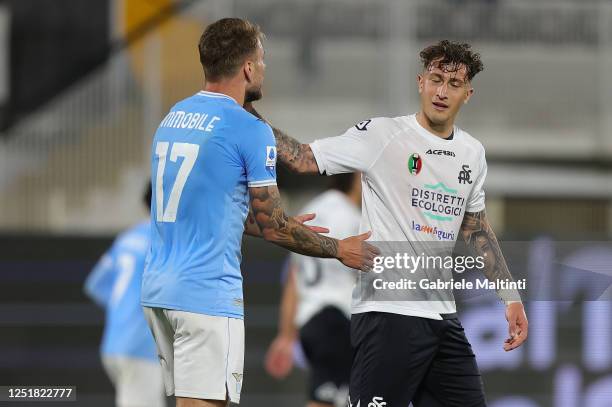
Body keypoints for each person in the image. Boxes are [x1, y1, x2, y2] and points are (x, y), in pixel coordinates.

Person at [248, 40, 529, 406]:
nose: (442, 91)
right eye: (436, 79)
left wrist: (510, 297)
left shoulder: (473, 153)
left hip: (441, 316)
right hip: (387, 314)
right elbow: (302, 158)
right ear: (420, 82)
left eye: (454, 83)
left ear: (468, 93)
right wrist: (246, 115)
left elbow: (476, 228)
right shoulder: (381, 136)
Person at [140, 18, 378, 407]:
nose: (264, 68)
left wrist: (271, 222)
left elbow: (206, 208)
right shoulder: (248, 129)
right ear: (248, 67)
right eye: (262, 59)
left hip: (159, 292)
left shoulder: (174, 117)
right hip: (207, 294)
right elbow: (275, 228)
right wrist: (339, 248)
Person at [265, 173, 361, 407]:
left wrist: (286, 335)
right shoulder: (352, 216)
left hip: (309, 323)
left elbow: (293, 278)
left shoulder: (312, 209)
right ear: (358, 177)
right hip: (336, 319)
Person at [84, 183, 165, 407]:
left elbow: (95, 285)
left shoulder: (128, 237)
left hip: (114, 343)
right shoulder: (164, 239)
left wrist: (124, 311)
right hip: (141, 346)